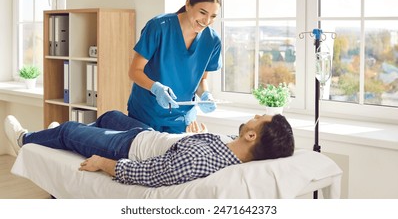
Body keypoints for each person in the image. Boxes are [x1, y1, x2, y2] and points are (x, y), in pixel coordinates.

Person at [4, 110, 294, 188]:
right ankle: (52, 135)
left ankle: (24, 140)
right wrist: (202, 135)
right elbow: (218, 144)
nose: (254, 116)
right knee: (109, 116)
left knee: (68, 130)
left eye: (259, 118)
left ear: (253, 135)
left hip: (130, 147)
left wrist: (105, 164)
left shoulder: (202, 159)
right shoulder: (231, 147)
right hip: (149, 134)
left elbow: (153, 173)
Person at [128, 0, 222, 134]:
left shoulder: (212, 41)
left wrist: (205, 95)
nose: (207, 21)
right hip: (146, 115)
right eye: (203, 12)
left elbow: (201, 80)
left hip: (182, 121)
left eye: (213, 16)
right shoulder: (159, 27)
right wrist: (156, 88)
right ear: (188, 4)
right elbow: (134, 71)